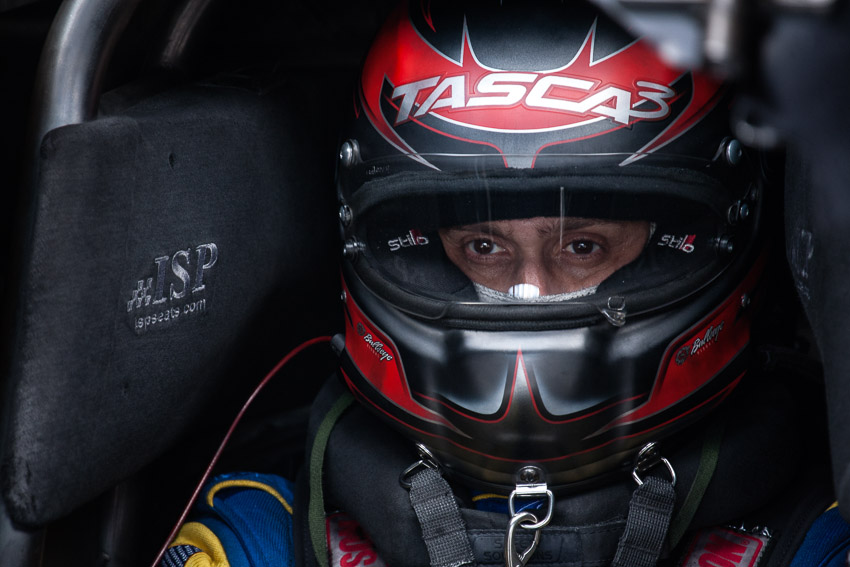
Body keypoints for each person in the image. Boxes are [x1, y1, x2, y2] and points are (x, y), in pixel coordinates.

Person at [159, 1, 849, 566]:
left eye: (584, 245)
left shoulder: (813, 535)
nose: (527, 288)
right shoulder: (270, 531)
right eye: (483, 245)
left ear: (689, 244)